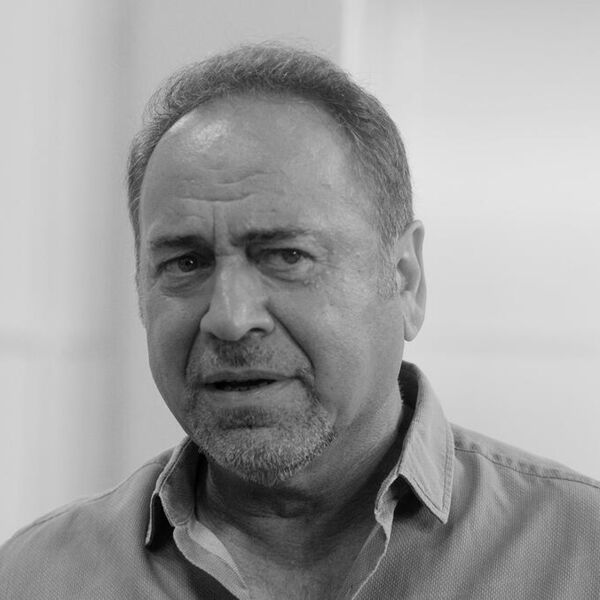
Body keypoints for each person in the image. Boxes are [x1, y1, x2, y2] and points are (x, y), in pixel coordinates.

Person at [1, 43, 598, 600]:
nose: (230, 319)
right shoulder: (36, 579)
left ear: (406, 280)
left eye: (287, 256)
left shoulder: (581, 554)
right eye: (186, 263)